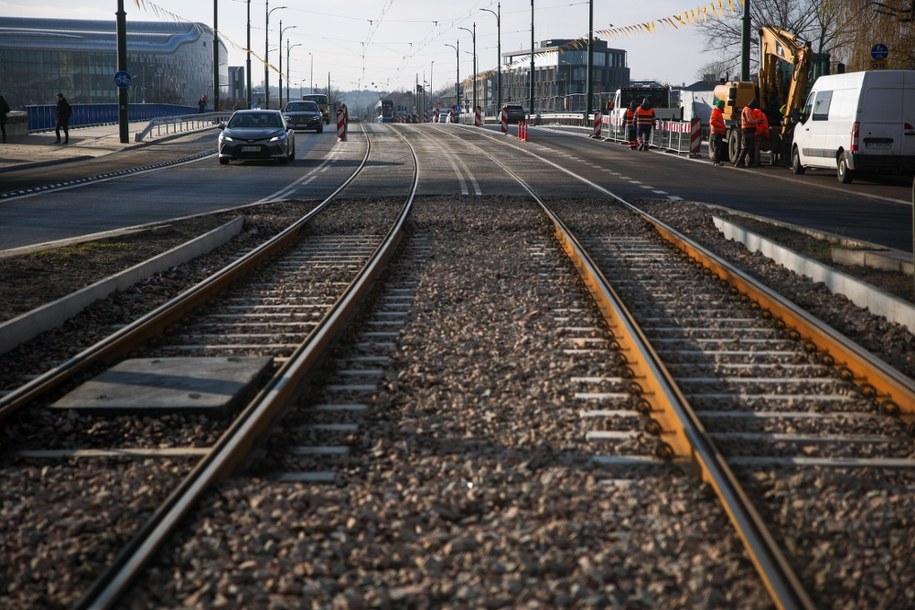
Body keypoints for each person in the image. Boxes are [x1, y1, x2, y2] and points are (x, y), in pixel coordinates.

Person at [734, 98, 758, 167]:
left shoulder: (748, 109)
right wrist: (757, 121)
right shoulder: (747, 110)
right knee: (746, 147)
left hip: (748, 130)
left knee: (749, 147)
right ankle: (739, 162)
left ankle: (750, 163)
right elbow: (749, 120)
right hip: (748, 131)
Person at [709, 99, 726, 166]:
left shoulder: (718, 112)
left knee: (718, 147)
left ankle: (717, 161)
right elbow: (712, 121)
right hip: (716, 132)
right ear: (720, 106)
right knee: (717, 147)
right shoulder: (716, 112)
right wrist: (721, 125)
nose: (724, 107)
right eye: (723, 106)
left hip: (718, 132)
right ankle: (716, 162)